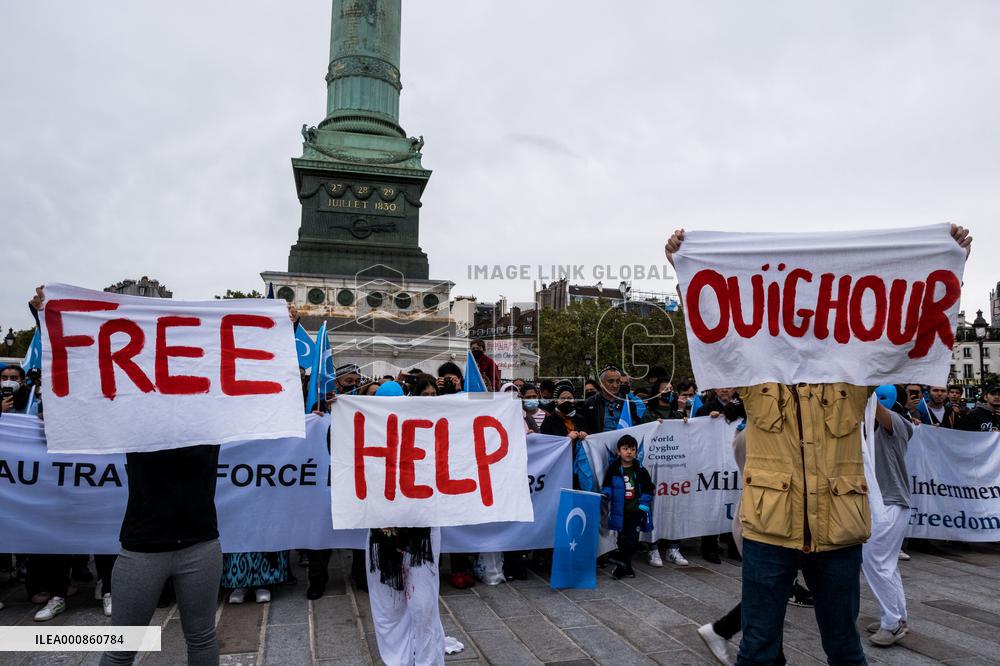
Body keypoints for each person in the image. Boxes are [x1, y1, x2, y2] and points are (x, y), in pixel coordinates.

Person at [665, 224, 973, 665]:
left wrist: (948, 259)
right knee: (757, 650)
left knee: (845, 649)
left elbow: (906, 326)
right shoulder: (756, 376)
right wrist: (684, 267)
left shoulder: (857, 376)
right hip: (770, 529)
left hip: (838, 532)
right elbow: (715, 328)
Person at [862, 386, 915, 647]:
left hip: (890, 503)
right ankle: (896, 616)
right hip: (883, 503)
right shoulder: (869, 431)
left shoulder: (897, 423)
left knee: (874, 560)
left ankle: (892, 622)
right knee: (888, 564)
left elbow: (878, 407)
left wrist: (865, 381)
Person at [641, 378, 691, 567]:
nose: (668, 391)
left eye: (671, 388)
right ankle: (652, 548)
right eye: (665, 389)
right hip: (656, 469)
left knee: (674, 506)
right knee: (654, 507)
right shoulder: (649, 414)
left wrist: (683, 417)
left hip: (675, 470)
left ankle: (673, 547)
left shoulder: (676, 413)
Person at [600, 434, 654, 579]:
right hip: (620, 512)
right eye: (625, 449)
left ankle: (622, 565)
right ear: (618, 451)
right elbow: (607, 486)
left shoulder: (640, 470)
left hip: (636, 512)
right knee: (622, 540)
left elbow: (649, 489)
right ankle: (625, 567)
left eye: (632, 449)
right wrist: (606, 494)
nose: (629, 452)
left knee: (632, 540)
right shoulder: (614, 469)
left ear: (636, 452)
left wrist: (642, 507)